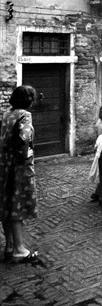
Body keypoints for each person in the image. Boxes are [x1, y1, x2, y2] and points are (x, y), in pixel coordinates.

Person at [0, 85, 39, 263]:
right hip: (18, 167)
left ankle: (9, 246)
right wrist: (27, 161)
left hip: (4, 163)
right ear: (29, 100)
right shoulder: (25, 115)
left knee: (6, 204)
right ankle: (19, 249)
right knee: (18, 205)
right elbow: (24, 140)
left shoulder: (8, 113)